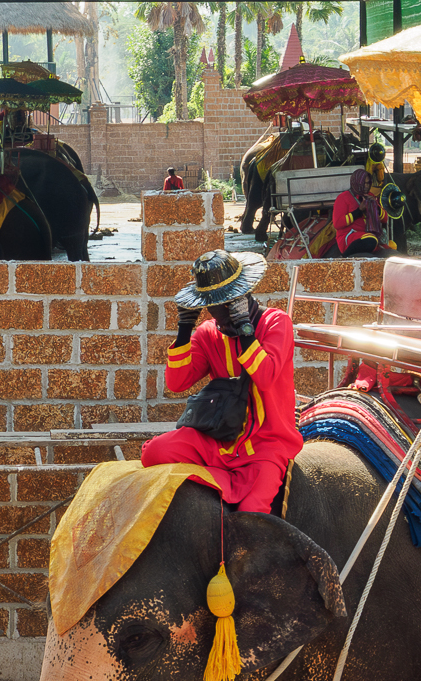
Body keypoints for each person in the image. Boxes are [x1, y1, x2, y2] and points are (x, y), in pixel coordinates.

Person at [141, 251, 301, 513]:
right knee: (153, 453)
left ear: (243, 295)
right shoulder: (208, 332)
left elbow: (265, 377)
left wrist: (244, 328)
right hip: (219, 441)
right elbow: (177, 382)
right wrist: (184, 328)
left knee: (251, 510)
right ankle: (221, 484)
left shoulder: (276, 322)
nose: (221, 311)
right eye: (214, 304)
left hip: (267, 445)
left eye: (228, 303)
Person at [330, 168, 382, 257]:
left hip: (367, 235)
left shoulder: (371, 196)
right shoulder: (343, 197)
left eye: (369, 183)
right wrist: (359, 211)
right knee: (371, 240)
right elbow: (337, 223)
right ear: (357, 182)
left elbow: (385, 219)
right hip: (349, 237)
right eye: (364, 183)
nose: (367, 186)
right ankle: (344, 257)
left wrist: (376, 207)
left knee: (392, 244)